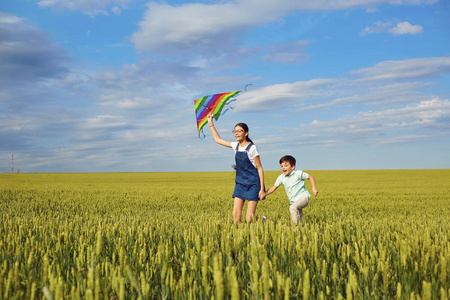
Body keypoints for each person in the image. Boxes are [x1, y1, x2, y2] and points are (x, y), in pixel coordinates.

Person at [207, 113, 265, 224]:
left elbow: (260, 168)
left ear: (246, 133)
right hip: (240, 183)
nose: (236, 133)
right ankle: (242, 237)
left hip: (253, 184)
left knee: (249, 219)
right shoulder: (235, 146)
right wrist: (211, 123)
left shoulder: (252, 148)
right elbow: (218, 140)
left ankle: (264, 221)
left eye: (240, 131)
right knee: (235, 217)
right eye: (235, 131)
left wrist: (262, 189)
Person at [264, 155, 318, 226]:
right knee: (299, 216)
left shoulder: (298, 173)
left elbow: (311, 177)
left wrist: (314, 188)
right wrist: (264, 194)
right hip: (294, 200)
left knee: (292, 208)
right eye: (282, 166)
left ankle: (294, 229)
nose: (283, 168)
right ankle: (301, 230)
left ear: (292, 167)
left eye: (286, 166)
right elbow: (273, 187)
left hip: (303, 197)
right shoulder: (281, 177)